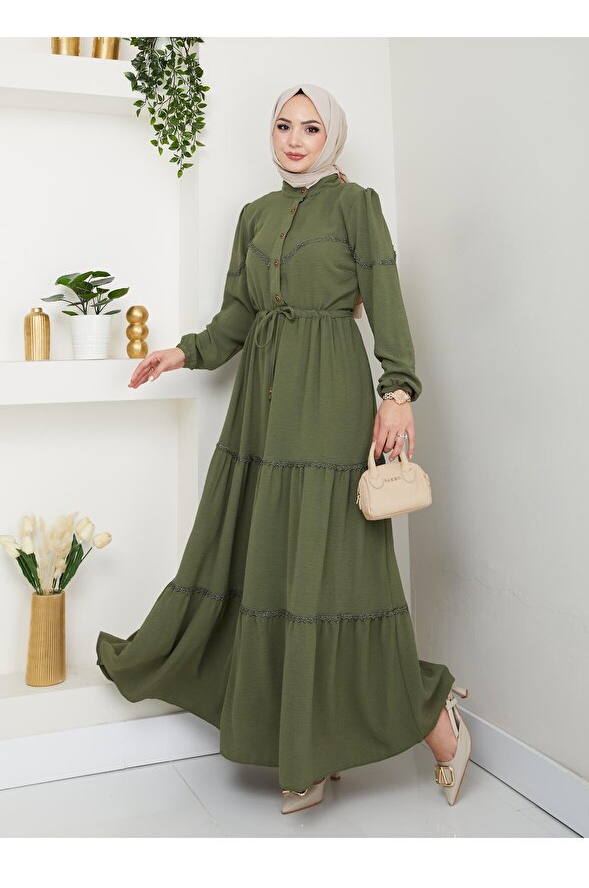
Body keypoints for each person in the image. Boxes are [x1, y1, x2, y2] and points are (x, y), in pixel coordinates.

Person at [96, 83, 471, 814]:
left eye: (310, 127)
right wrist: (184, 351)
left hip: (329, 400)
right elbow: (237, 314)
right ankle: (306, 747)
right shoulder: (255, 215)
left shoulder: (355, 204)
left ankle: (437, 721)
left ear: (331, 136)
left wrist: (397, 388)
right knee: (273, 567)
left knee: (336, 575)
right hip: (262, 412)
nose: (294, 140)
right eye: (282, 125)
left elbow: (385, 297)